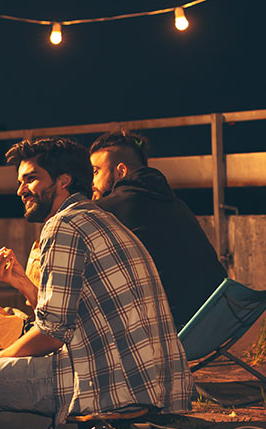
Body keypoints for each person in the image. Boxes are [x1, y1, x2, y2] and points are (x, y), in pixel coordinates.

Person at [0, 138, 192, 423]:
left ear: (63, 181)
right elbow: (71, 317)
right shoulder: (100, 218)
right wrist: (23, 284)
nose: (20, 190)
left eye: (30, 179)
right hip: (152, 387)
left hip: (106, 388)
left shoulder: (63, 226)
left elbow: (51, 334)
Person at [90, 130, 228, 329]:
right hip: (219, 316)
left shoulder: (109, 209)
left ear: (120, 171)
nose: (92, 182)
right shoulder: (175, 202)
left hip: (173, 327)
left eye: (95, 172)